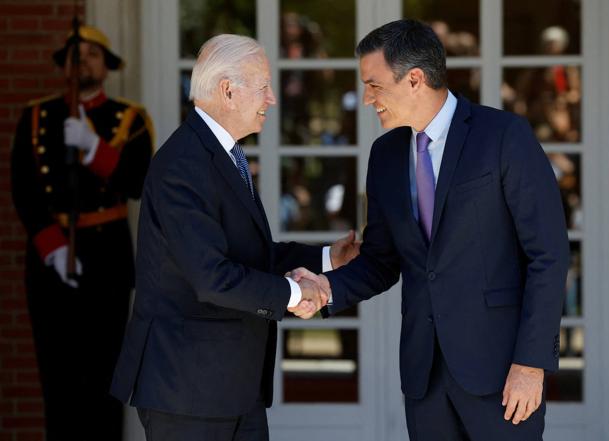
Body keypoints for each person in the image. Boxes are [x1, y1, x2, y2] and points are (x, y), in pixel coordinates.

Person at [290, 19, 569, 441]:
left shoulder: (503, 137)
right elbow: (382, 261)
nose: (367, 99)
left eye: (375, 85)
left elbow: (548, 256)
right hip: (425, 379)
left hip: (501, 374)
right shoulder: (384, 156)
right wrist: (327, 288)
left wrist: (531, 364)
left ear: (415, 80)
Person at [109, 34, 358, 441]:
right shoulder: (183, 165)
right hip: (189, 389)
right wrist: (295, 295)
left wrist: (330, 258)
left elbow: (250, 255)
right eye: (263, 86)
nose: (272, 99)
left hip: (231, 388)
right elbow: (213, 277)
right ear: (228, 90)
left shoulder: (223, 154)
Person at [10, 25, 154, 440]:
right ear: (64, 66)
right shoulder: (37, 116)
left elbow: (138, 182)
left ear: (106, 66)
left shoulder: (130, 118)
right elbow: (24, 188)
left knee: (105, 371)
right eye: (76, 54)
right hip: (50, 255)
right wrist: (53, 248)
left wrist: (94, 150)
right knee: (55, 371)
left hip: (106, 254)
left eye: (92, 53)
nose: (83, 61)